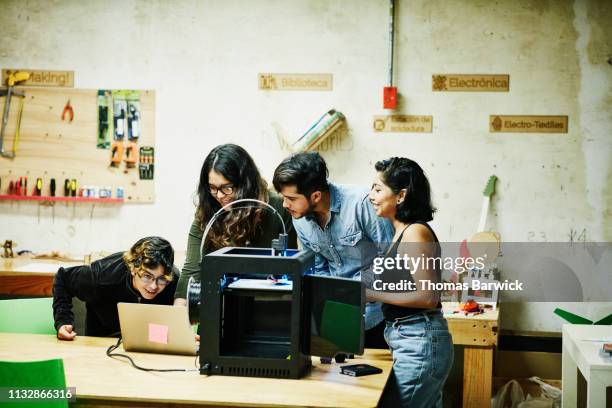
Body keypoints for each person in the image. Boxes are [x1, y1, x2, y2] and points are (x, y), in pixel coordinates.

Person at [272, 151, 394, 348]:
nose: (285, 205)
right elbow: (317, 269)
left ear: (316, 196)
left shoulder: (362, 204)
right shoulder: (300, 219)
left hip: (378, 318)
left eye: (291, 198)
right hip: (338, 319)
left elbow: (390, 260)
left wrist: (348, 291)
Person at [367, 157, 453, 408]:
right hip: (407, 338)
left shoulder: (415, 232)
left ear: (401, 195)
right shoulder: (399, 232)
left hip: (419, 339)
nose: (371, 195)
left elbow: (427, 297)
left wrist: (373, 294)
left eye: (378, 189)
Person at [174, 144, 296, 305]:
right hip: (223, 306)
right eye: (212, 188)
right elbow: (191, 272)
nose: (219, 195)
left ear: (246, 183)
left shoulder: (278, 208)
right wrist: (179, 318)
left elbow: (291, 269)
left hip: (269, 305)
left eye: (227, 188)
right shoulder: (208, 214)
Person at [53, 236, 178, 340]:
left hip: (151, 340)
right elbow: (63, 278)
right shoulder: (102, 276)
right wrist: (63, 321)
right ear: (133, 269)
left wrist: (181, 335)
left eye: (161, 279)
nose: (153, 286)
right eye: (146, 276)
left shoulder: (172, 280)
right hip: (102, 341)